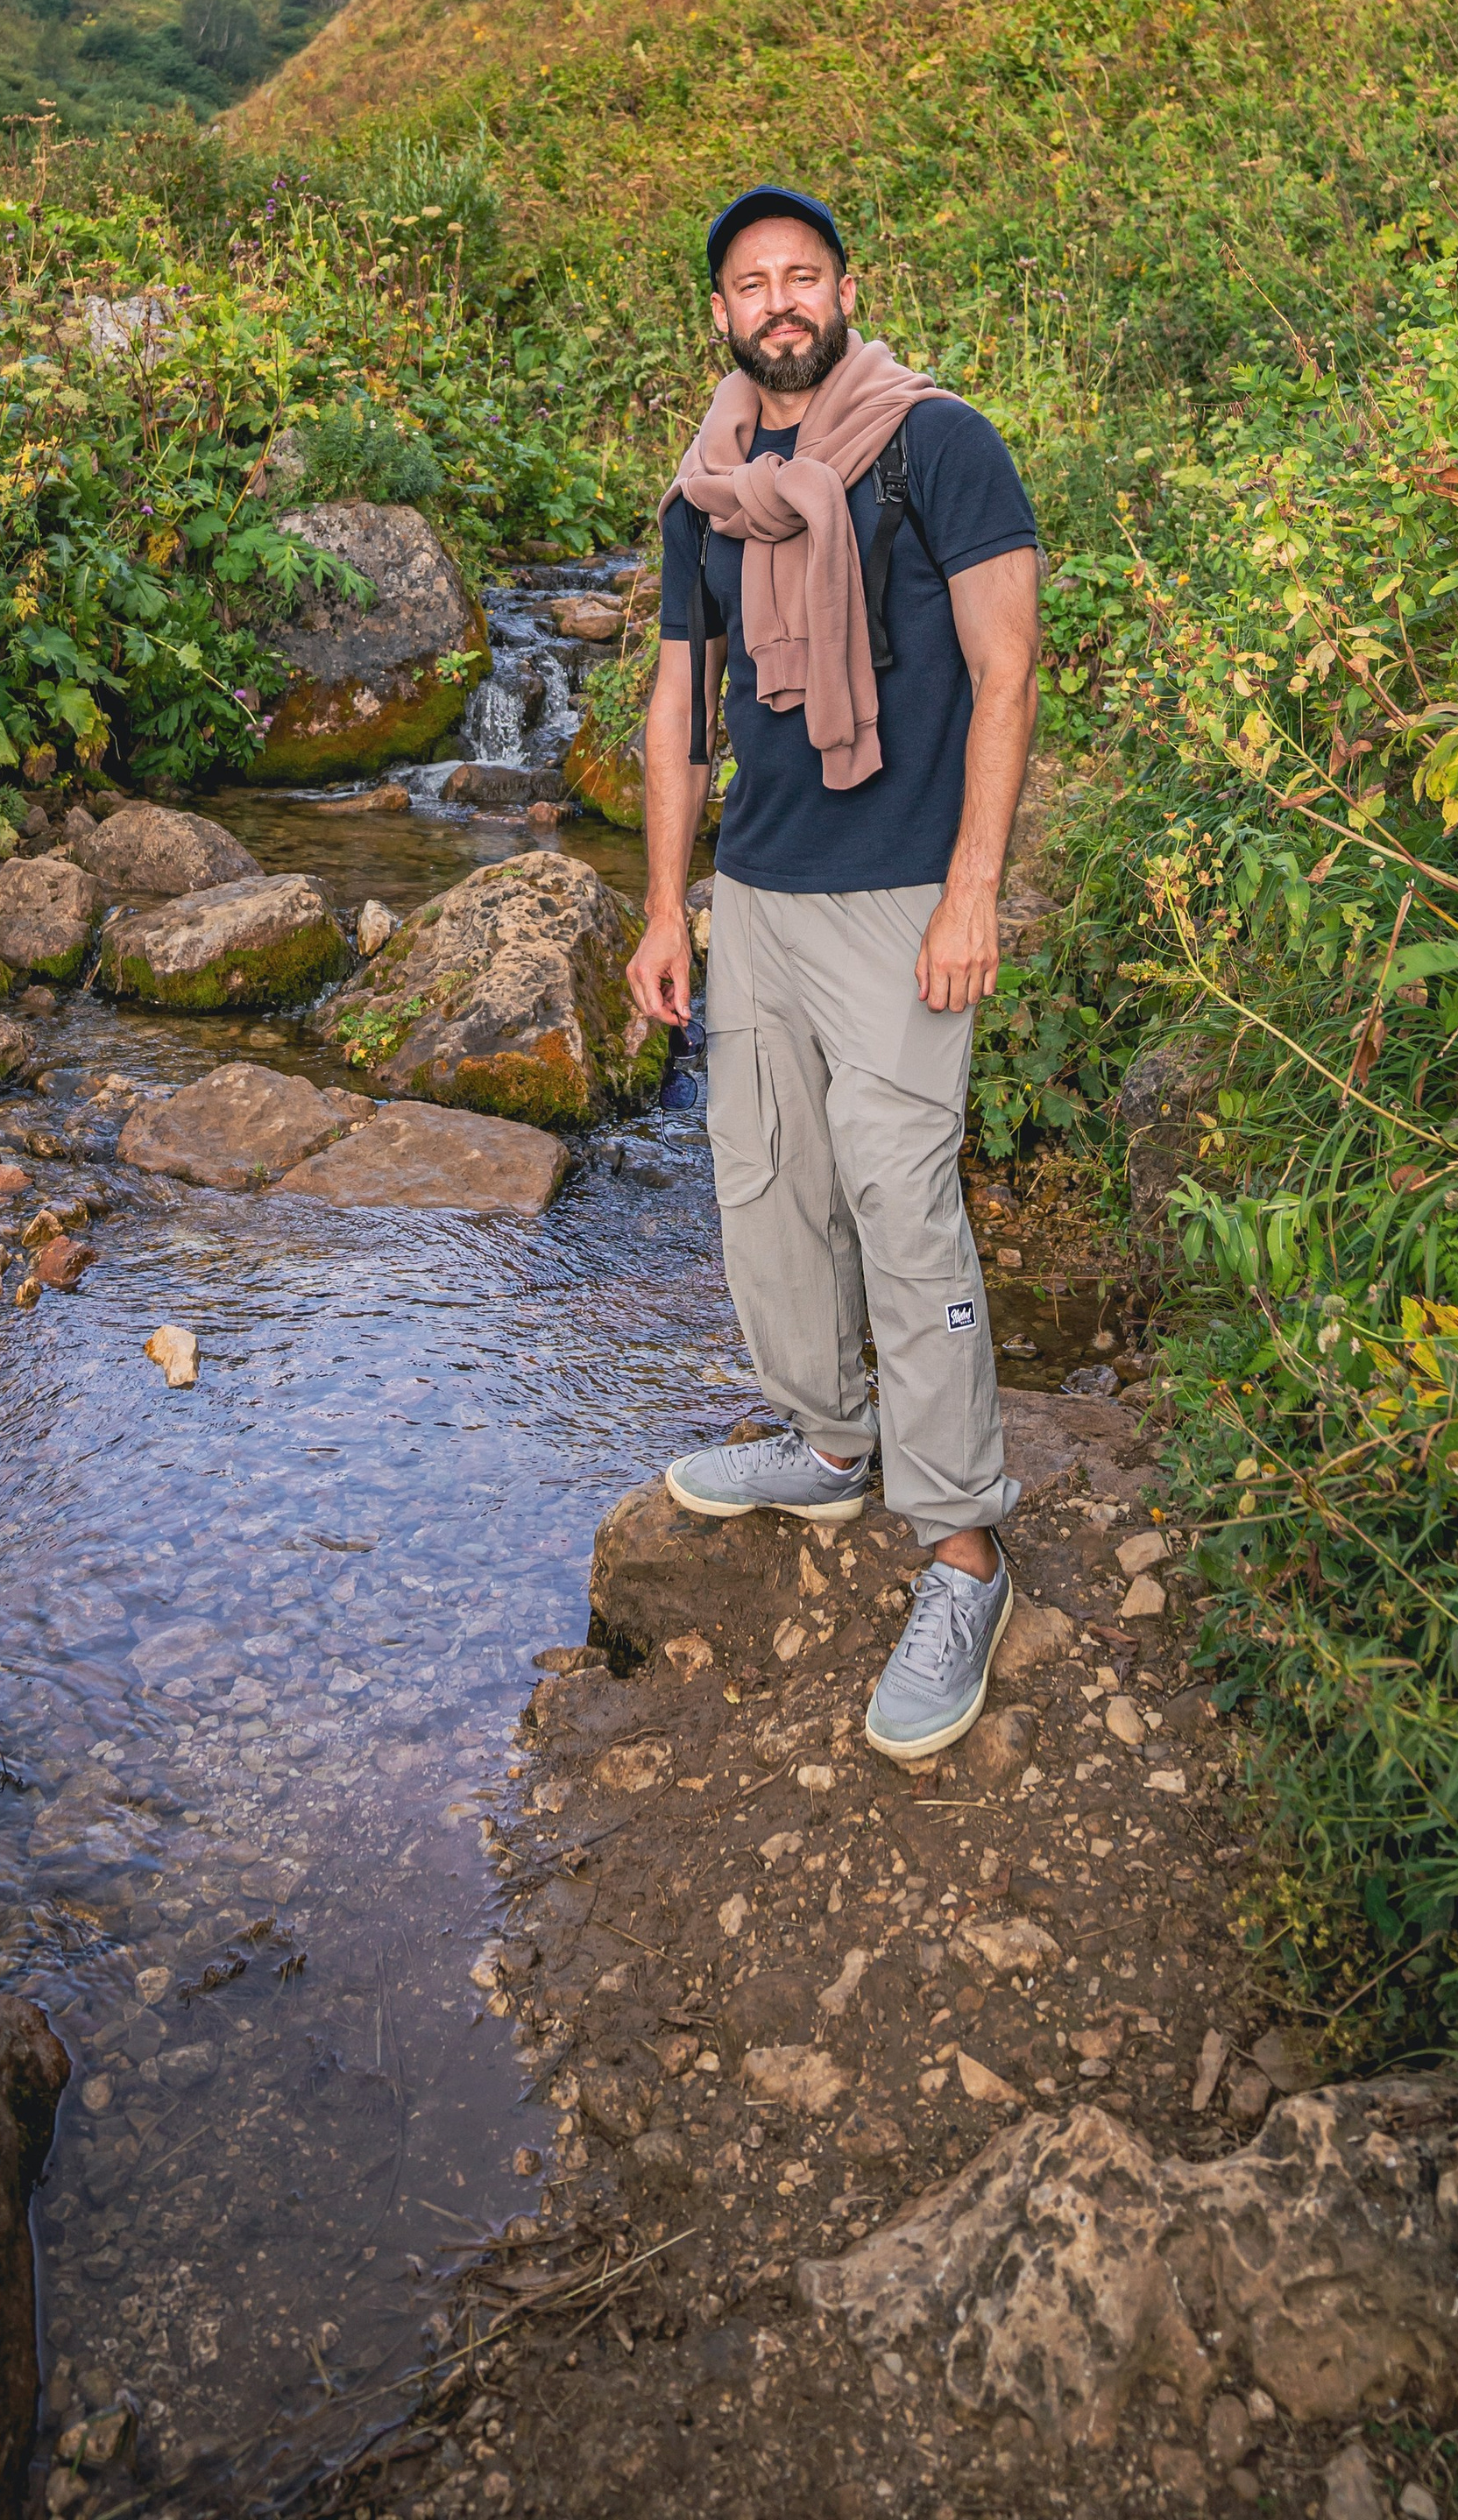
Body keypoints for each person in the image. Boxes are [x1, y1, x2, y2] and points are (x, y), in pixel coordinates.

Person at [626, 186, 1040, 1764]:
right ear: (722, 313)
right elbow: (681, 707)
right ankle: (826, 1435)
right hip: (761, 892)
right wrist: (668, 907)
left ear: (847, 288)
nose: (779, 300)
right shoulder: (707, 487)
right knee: (763, 1182)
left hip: (901, 902)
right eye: (751, 282)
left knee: (902, 1199)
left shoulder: (937, 443)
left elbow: (1009, 668)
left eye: (804, 274)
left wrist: (972, 892)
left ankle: (963, 1554)